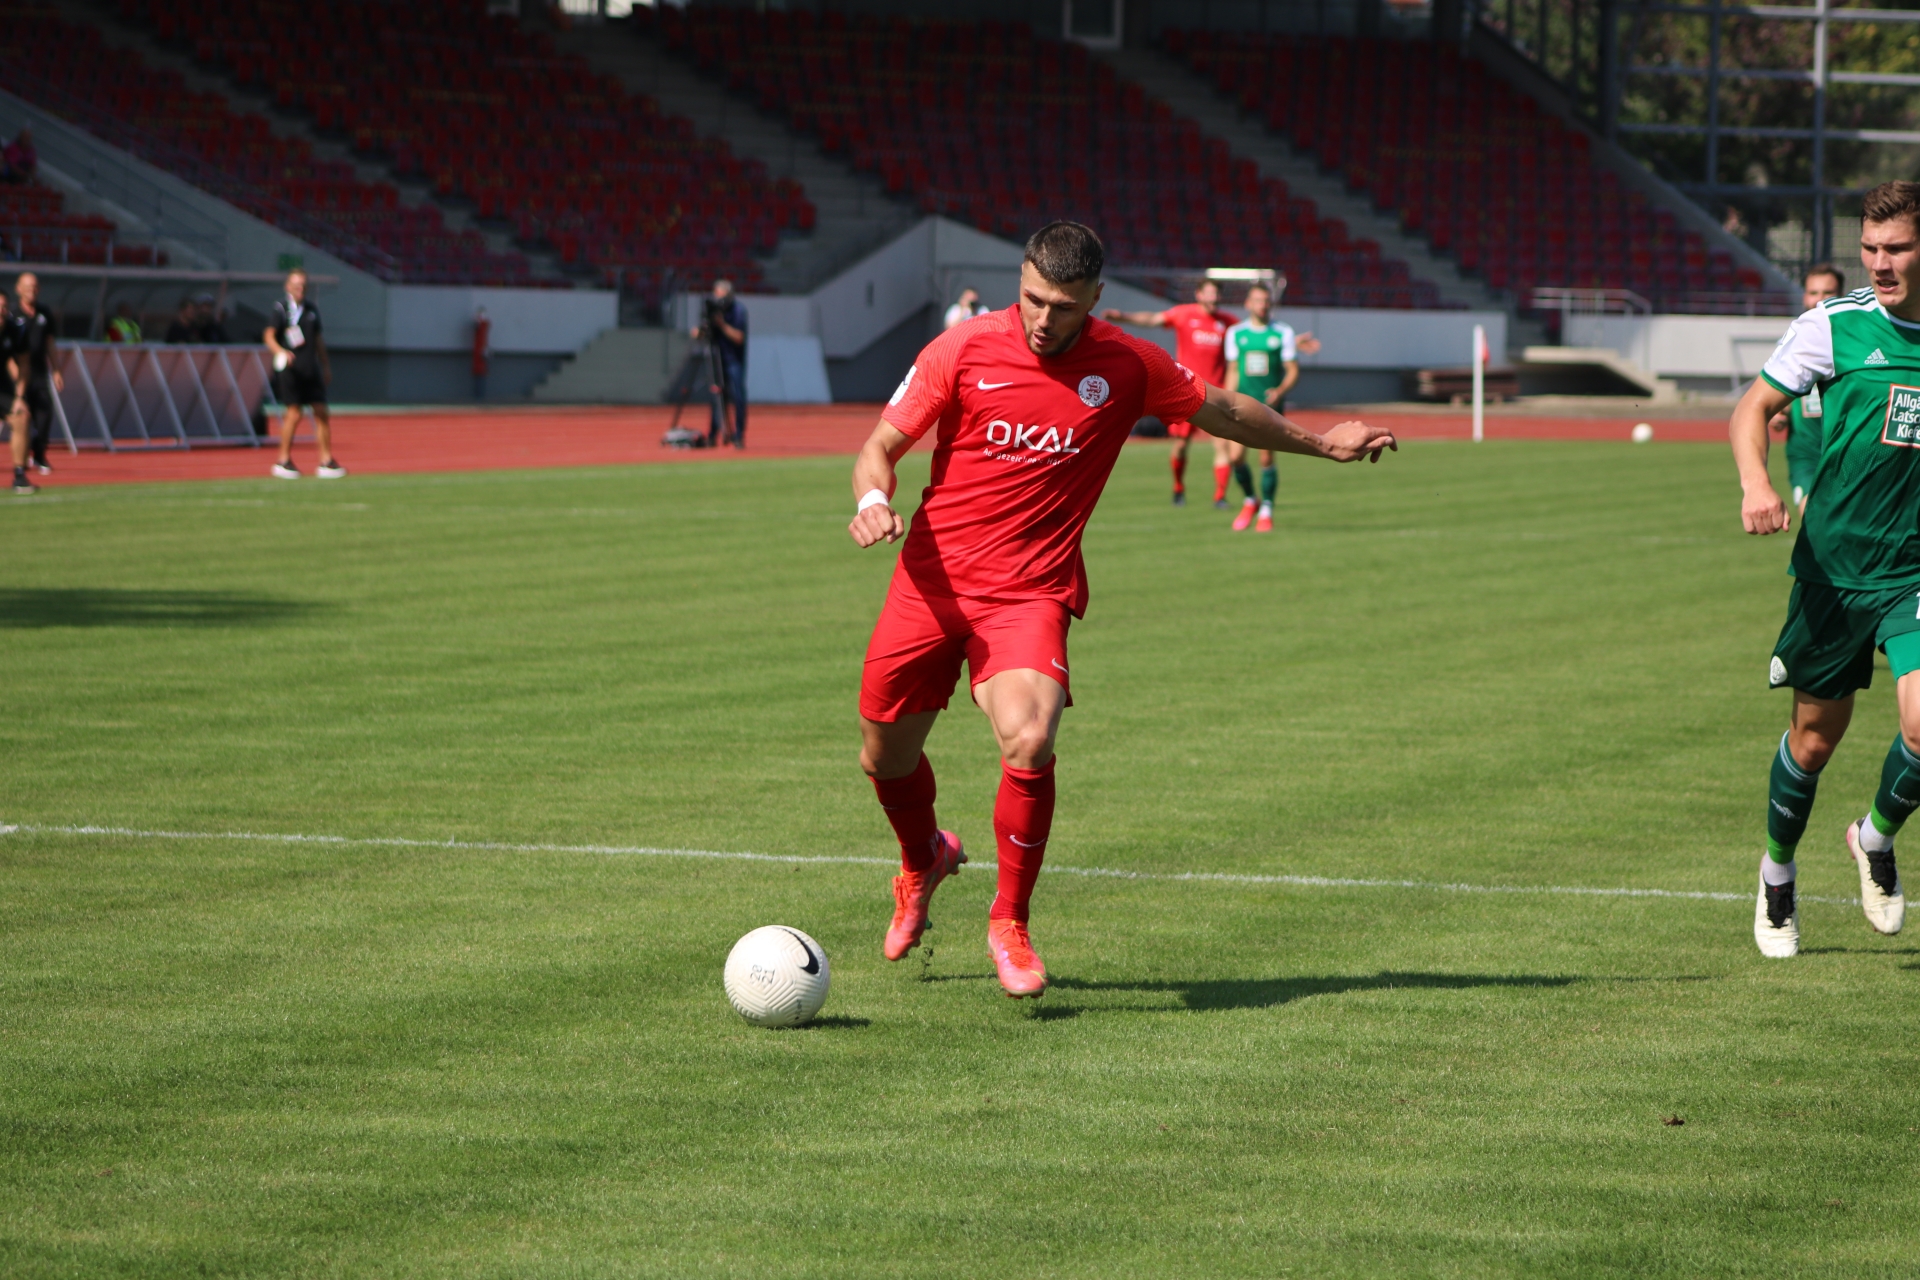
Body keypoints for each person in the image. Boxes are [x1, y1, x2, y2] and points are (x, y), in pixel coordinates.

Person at [848, 222, 1396, 997]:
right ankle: (923, 858)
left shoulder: (1129, 363)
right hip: (930, 585)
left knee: (1030, 739)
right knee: (884, 759)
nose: (1044, 319)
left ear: (1096, 299)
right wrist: (874, 499)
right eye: (1033, 299)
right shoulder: (962, 348)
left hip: (1030, 591)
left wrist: (1323, 443)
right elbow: (879, 446)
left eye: (1064, 307)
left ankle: (1010, 920)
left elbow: (1228, 414)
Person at [1733, 181, 1920, 959]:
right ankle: (1778, 874)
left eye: (1897, 249)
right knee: (1813, 743)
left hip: (1911, 573)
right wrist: (1757, 482)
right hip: (1833, 574)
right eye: (1870, 250)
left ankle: (1873, 836)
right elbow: (1751, 409)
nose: (1879, 264)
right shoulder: (1834, 328)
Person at [1100, 279, 1238, 507]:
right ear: (1199, 295)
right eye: (1209, 293)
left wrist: (1290, 342)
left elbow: (1252, 334)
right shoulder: (1184, 314)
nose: (1213, 298)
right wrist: (1123, 317)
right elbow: (1153, 319)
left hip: (1215, 394)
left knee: (1221, 444)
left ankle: (1220, 496)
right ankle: (1178, 488)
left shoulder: (1227, 322)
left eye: (1216, 294)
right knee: (1181, 445)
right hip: (1186, 390)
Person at [1222, 279, 1320, 532]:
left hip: (1269, 406)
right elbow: (1233, 370)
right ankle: (1249, 500)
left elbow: (1292, 371)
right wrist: (1226, 398)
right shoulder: (1236, 333)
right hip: (1241, 404)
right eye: (1257, 301)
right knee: (1235, 457)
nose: (1262, 305)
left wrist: (1280, 390)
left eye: (1266, 301)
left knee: (1265, 458)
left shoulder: (1282, 333)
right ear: (1248, 304)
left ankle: (1266, 509)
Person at [1767, 263, 1846, 512]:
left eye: (1827, 293)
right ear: (1804, 296)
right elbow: (1774, 397)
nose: (1819, 300)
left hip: (1846, 454)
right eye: (1813, 293)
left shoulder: (1856, 342)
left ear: (1842, 296)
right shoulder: (1791, 342)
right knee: (1813, 517)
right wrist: (1779, 414)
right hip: (1807, 456)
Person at [264, 268, 343, 480]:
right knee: (294, 413)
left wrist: (325, 365)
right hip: (291, 370)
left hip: (311, 369)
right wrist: (280, 351)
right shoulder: (281, 309)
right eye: (297, 285)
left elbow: (318, 340)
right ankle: (283, 460)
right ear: (288, 287)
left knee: (321, 412)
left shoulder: (311, 309)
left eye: (304, 285)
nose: (301, 289)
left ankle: (326, 461)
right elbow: (269, 335)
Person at [8, 272, 60, 483]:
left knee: (44, 414)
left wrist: (56, 370)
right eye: (27, 286)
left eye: (35, 286)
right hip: (17, 376)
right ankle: (20, 466)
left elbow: (50, 343)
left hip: (38, 372)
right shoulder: (11, 316)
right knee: (22, 417)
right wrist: (15, 376)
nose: (32, 290)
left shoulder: (44, 313)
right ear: (18, 289)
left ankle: (38, 454)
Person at [694, 278, 746, 449]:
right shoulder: (713, 311)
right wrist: (700, 332)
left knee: (738, 397)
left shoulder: (738, 311)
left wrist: (722, 325)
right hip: (717, 358)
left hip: (734, 360)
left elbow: (739, 338)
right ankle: (713, 434)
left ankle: (738, 435)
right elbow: (702, 333)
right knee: (716, 397)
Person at [471, 305, 491, 401]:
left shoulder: (483, 326)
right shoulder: (481, 327)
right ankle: (479, 396)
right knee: (478, 378)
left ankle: (480, 396)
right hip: (479, 356)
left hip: (481, 355)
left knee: (480, 378)